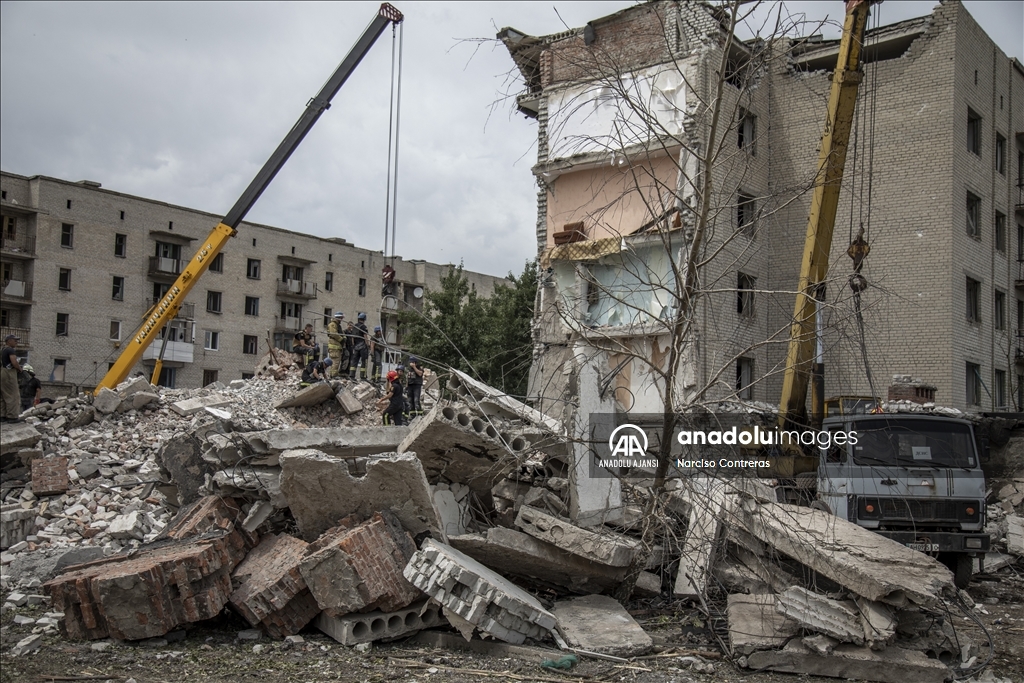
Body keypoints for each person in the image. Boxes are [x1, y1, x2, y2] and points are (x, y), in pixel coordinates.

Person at [1, 334, 23, 423]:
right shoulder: (10, 350)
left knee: (3, 395)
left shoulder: (2, 350)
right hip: (9, 373)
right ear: (9, 341)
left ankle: (2, 416)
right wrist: (19, 368)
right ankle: (12, 417)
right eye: (15, 340)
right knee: (13, 395)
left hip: (2, 372)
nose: (16, 342)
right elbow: (14, 362)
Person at [349, 313, 370, 380]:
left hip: (356, 347)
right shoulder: (363, 327)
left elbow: (352, 337)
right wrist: (368, 345)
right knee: (364, 361)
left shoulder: (354, 326)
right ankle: (363, 376)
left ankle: (352, 375)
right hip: (363, 346)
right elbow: (365, 336)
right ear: (364, 319)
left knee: (354, 361)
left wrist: (353, 345)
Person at [326, 312, 345, 378]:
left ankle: (332, 375)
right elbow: (334, 334)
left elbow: (342, 334)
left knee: (336, 361)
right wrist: (341, 339)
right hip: (334, 346)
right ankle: (333, 375)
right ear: (338, 318)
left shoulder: (337, 325)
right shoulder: (333, 325)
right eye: (341, 318)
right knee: (335, 361)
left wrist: (344, 338)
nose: (342, 320)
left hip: (337, 346)